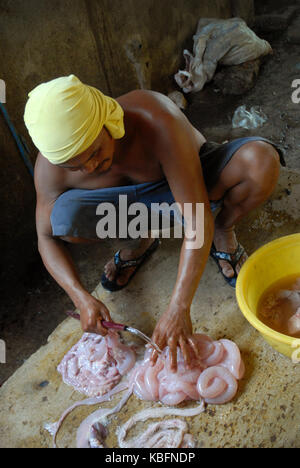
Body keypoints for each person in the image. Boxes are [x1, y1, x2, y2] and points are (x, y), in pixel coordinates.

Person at [24, 75, 284, 371]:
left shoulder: (154, 117)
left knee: (259, 162)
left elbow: (196, 218)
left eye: (95, 152)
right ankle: (137, 243)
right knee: (62, 218)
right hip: (128, 211)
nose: (91, 167)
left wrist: (179, 306)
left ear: (106, 121)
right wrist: (80, 296)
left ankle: (223, 229)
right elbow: (45, 237)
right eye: (76, 165)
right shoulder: (49, 168)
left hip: (189, 185)